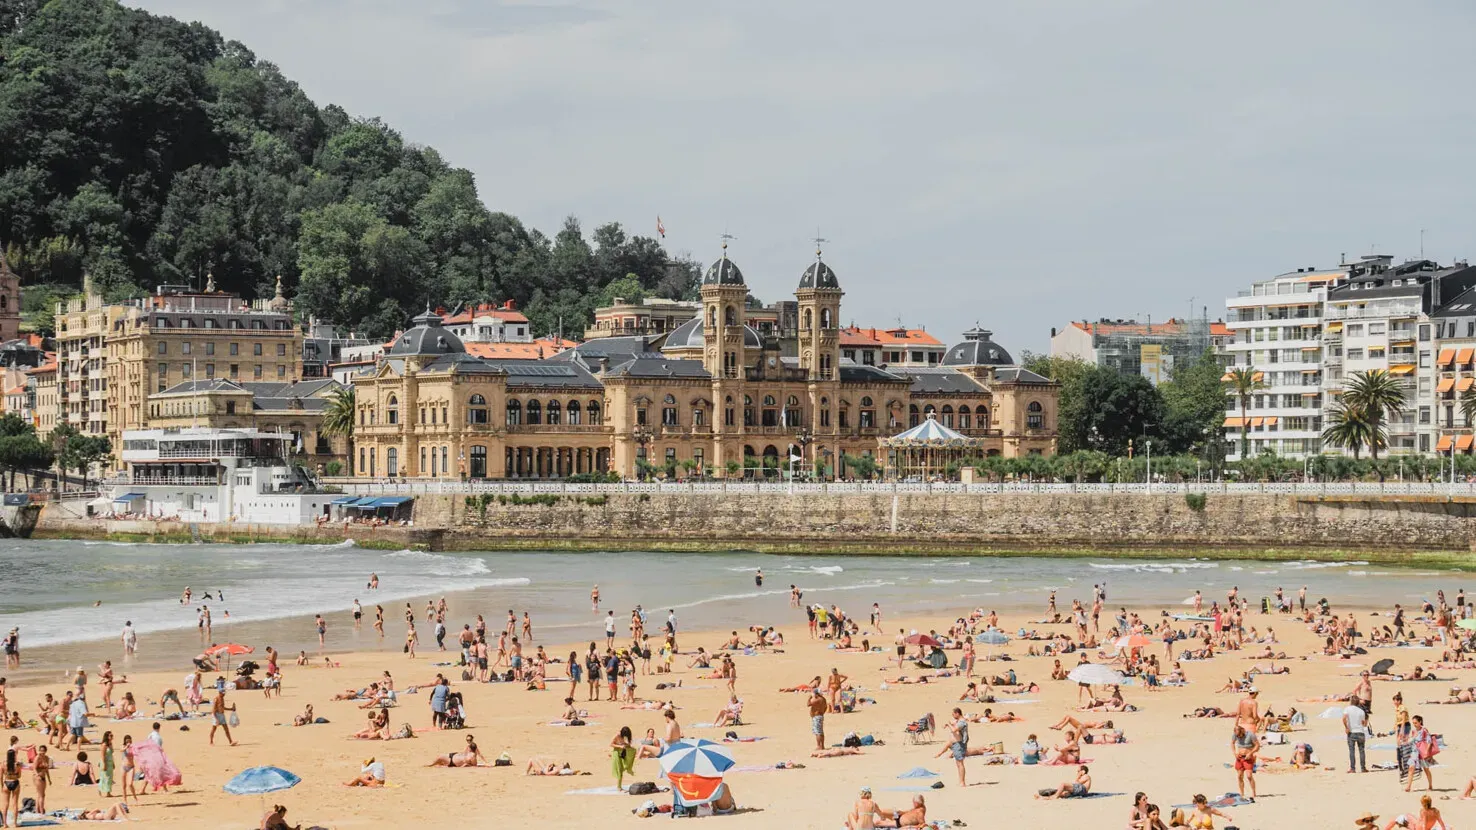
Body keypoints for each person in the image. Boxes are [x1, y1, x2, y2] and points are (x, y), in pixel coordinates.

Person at [1405, 714, 1435, 792]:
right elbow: (1412, 741)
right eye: (1413, 723)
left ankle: (1430, 785)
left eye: (1415, 723)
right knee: (1411, 768)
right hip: (1414, 752)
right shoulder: (1413, 731)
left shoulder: (1424, 730)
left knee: (1426, 769)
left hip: (1423, 752)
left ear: (1420, 722)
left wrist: (1427, 752)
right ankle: (1408, 786)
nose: (1414, 724)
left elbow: (1429, 741)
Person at [1231, 724, 1258, 800]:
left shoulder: (1250, 735)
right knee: (1239, 776)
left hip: (1248, 757)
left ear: (1242, 731)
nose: (1238, 737)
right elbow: (1232, 743)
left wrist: (1250, 753)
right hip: (1239, 757)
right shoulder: (1235, 734)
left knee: (1249, 776)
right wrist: (1234, 753)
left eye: (1239, 735)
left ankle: (1253, 792)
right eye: (1237, 736)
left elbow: (1257, 745)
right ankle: (1242, 793)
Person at [1344, 695, 1368, 773]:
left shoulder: (1347, 709)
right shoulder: (1361, 711)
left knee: (1352, 751)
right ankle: (1363, 768)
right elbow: (1364, 724)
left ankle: (1352, 768)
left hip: (1351, 732)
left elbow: (1344, 718)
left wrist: (1346, 727)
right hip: (1360, 732)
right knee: (1361, 750)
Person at [947, 707, 969, 787]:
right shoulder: (960, 722)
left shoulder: (962, 722)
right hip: (957, 744)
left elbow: (954, 730)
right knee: (958, 763)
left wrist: (949, 725)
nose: (953, 716)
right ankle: (961, 781)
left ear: (957, 713)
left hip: (960, 744)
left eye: (953, 714)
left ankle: (962, 782)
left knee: (960, 763)